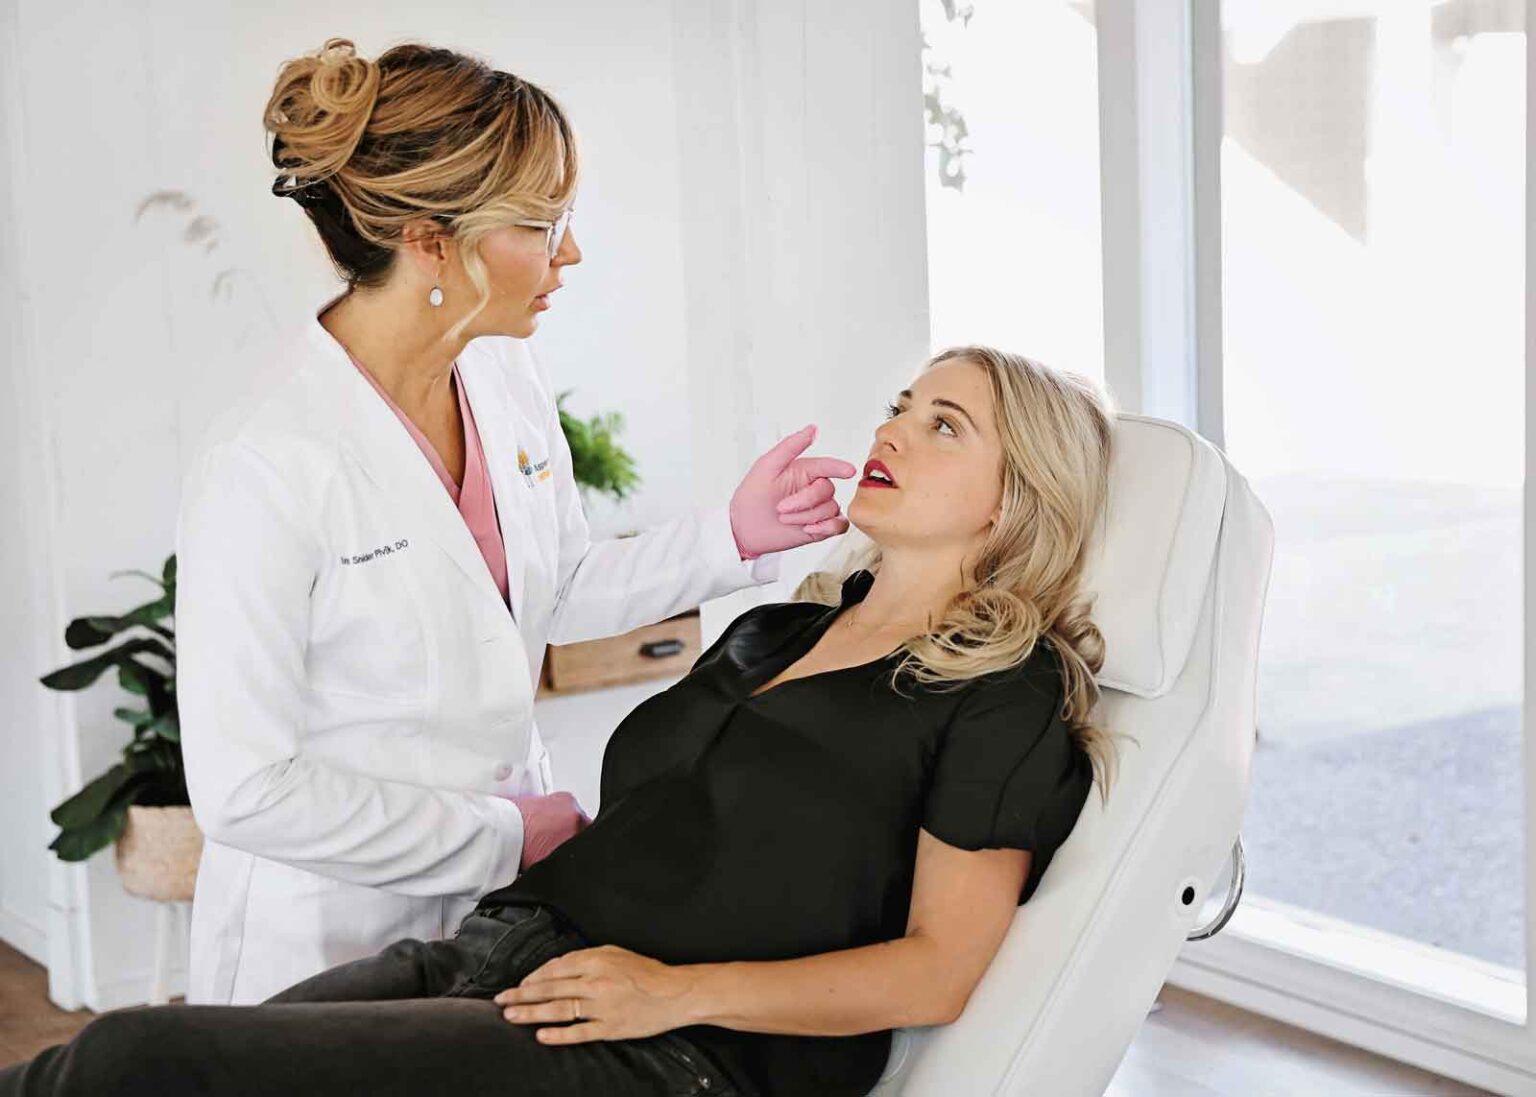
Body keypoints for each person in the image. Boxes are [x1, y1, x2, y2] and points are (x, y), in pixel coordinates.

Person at [1, 344, 1126, 1097]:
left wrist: (674, 990)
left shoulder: (1000, 694)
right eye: (900, 403)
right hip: (498, 952)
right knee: (119, 1070)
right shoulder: (781, 629)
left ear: (1015, 495)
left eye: (944, 425)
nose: (895, 427)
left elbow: (937, 970)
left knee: (136, 1057)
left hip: (664, 1047)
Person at [171, 37, 857, 1006]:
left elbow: (551, 585)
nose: (568, 252)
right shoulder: (267, 459)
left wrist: (730, 536)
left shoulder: (499, 371)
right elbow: (246, 789)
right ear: (428, 239)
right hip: (327, 924)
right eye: (542, 223)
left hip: (492, 898)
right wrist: (500, 831)